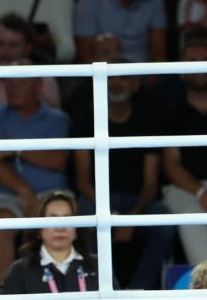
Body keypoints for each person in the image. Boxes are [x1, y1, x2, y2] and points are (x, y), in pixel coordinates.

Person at [73, 57, 175, 289]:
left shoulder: (149, 119)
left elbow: (151, 182)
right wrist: (108, 212)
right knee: (82, 224)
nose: (116, 83)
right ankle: (93, 289)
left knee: (166, 225)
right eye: (110, 78)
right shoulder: (85, 118)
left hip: (138, 199)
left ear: (136, 84)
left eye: (124, 77)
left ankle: (135, 290)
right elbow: (82, 181)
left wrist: (131, 217)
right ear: (100, 82)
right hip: (96, 197)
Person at [0, 58, 71, 289]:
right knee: (1, 223)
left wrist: (13, 148)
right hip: (5, 196)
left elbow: (57, 160)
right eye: (8, 82)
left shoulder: (57, 119)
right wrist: (24, 189)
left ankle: (61, 291)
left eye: (20, 82)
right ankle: (6, 292)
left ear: (38, 86)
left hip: (52, 195)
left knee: (57, 219)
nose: (12, 87)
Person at [162, 28, 207, 265]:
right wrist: (202, 193)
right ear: (181, 71)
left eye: (206, 60)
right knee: (189, 213)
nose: (200, 66)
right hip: (185, 188)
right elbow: (171, 164)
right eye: (192, 61)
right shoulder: (170, 110)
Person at [0, 191, 100, 294]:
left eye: (68, 219)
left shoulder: (98, 265)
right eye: (53, 219)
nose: (60, 228)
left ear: (77, 229)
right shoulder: (19, 270)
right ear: (39, 228)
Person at [0, 13, 61, 117]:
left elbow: (55, 121)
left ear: (27, 49)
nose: (6, 51)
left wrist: (32, 84)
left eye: (13, 45)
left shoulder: (45, 80)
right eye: (0, 44)